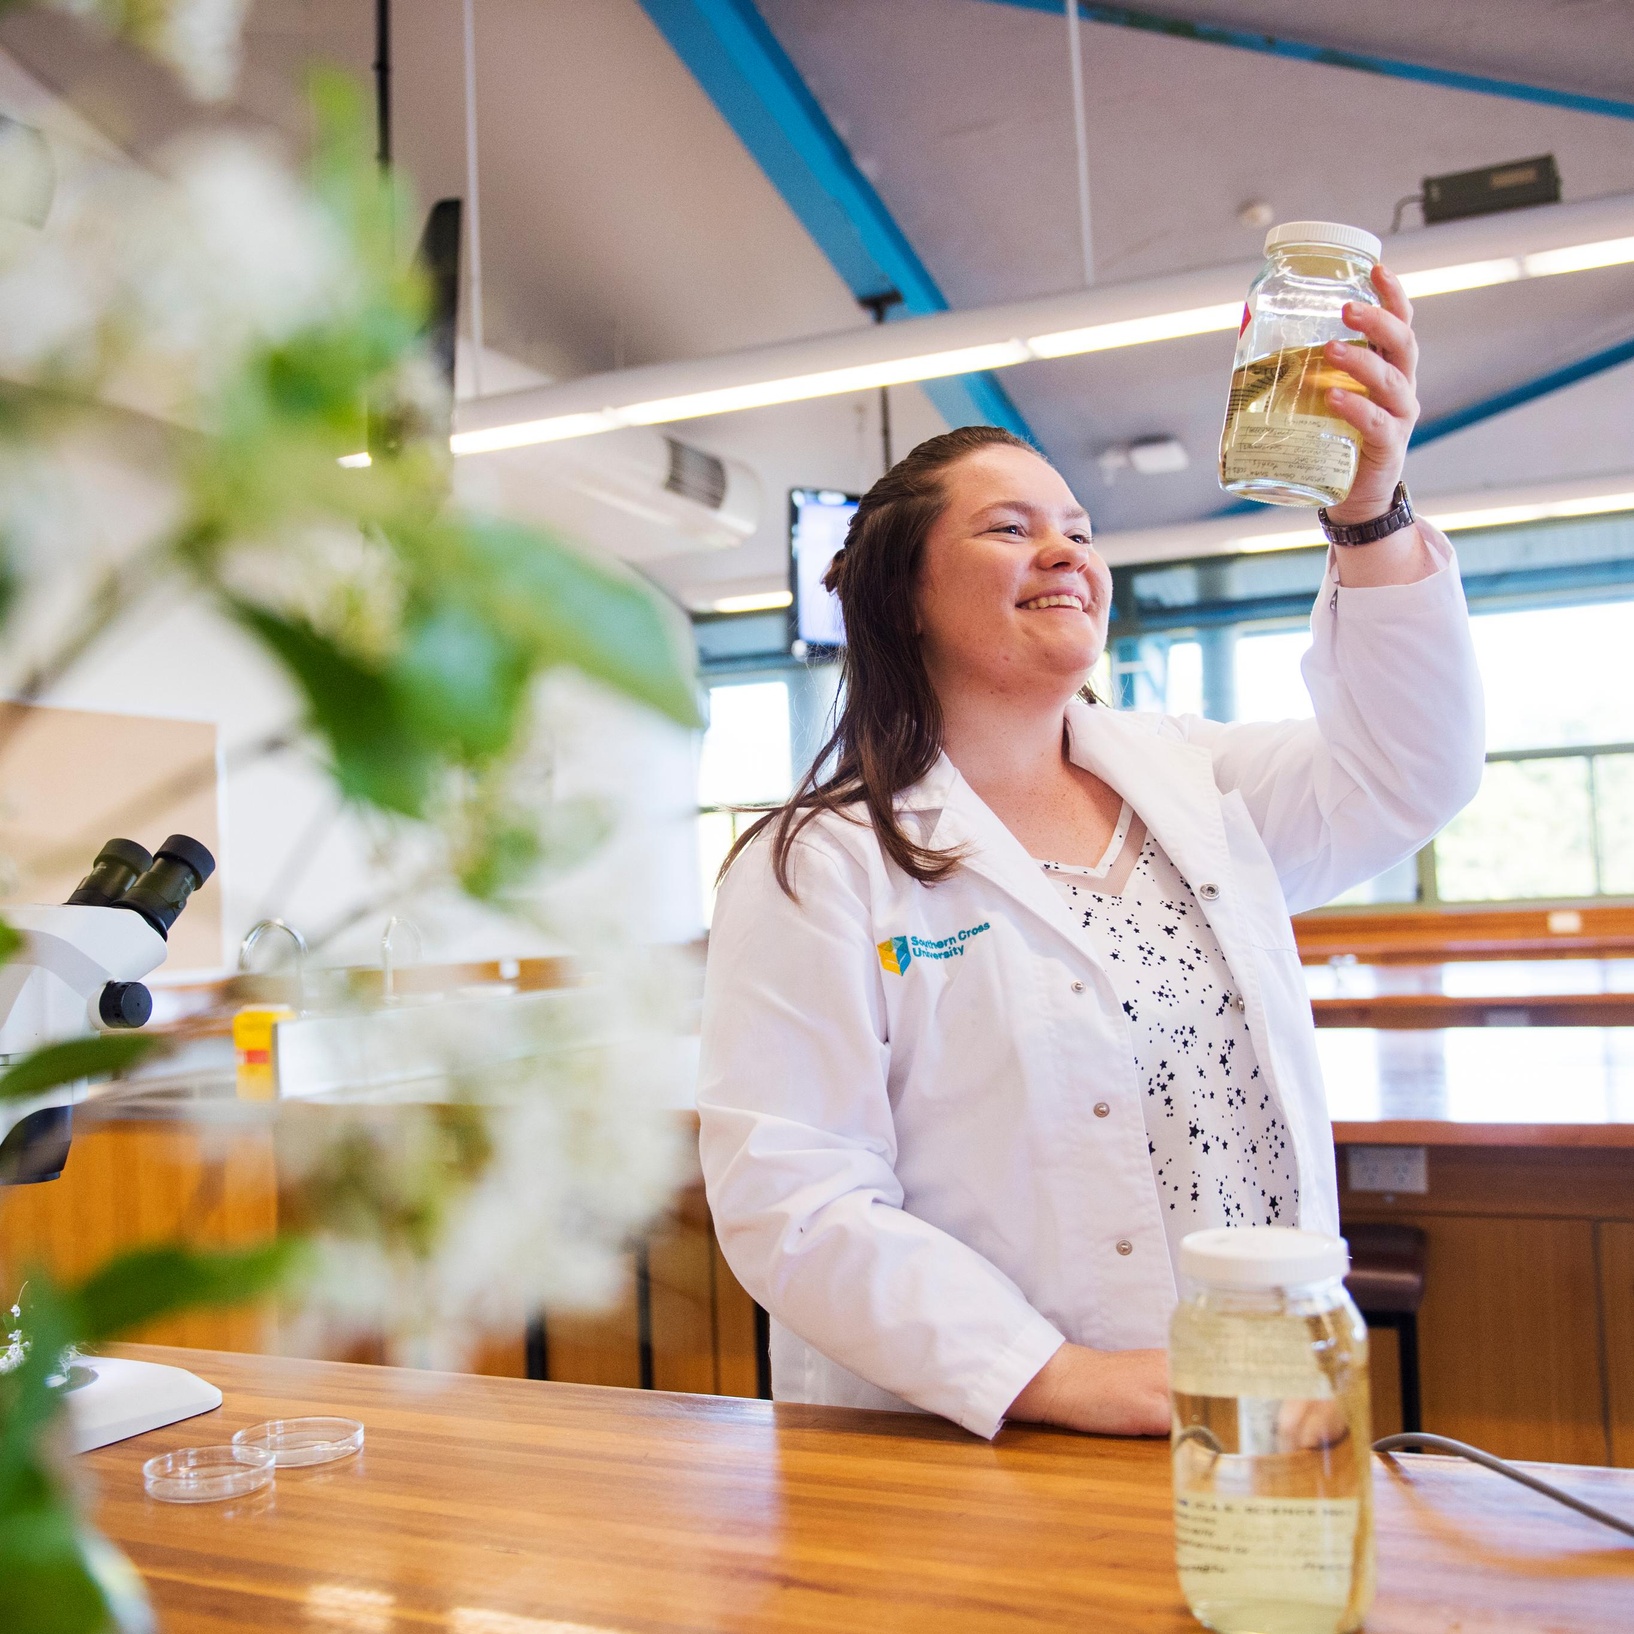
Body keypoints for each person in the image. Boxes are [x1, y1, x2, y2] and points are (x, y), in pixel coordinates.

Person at [696, 267, 1483, 1440]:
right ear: (904, 595)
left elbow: (1411, 767)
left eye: (1077, 528)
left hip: (1260, 1384)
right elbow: (796, 1194)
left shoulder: (1195, 788)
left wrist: (1366, 511)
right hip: (981, 1436)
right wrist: (1057, 1373)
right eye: (1009, 528)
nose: (1062, 551)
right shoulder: (818, 864)